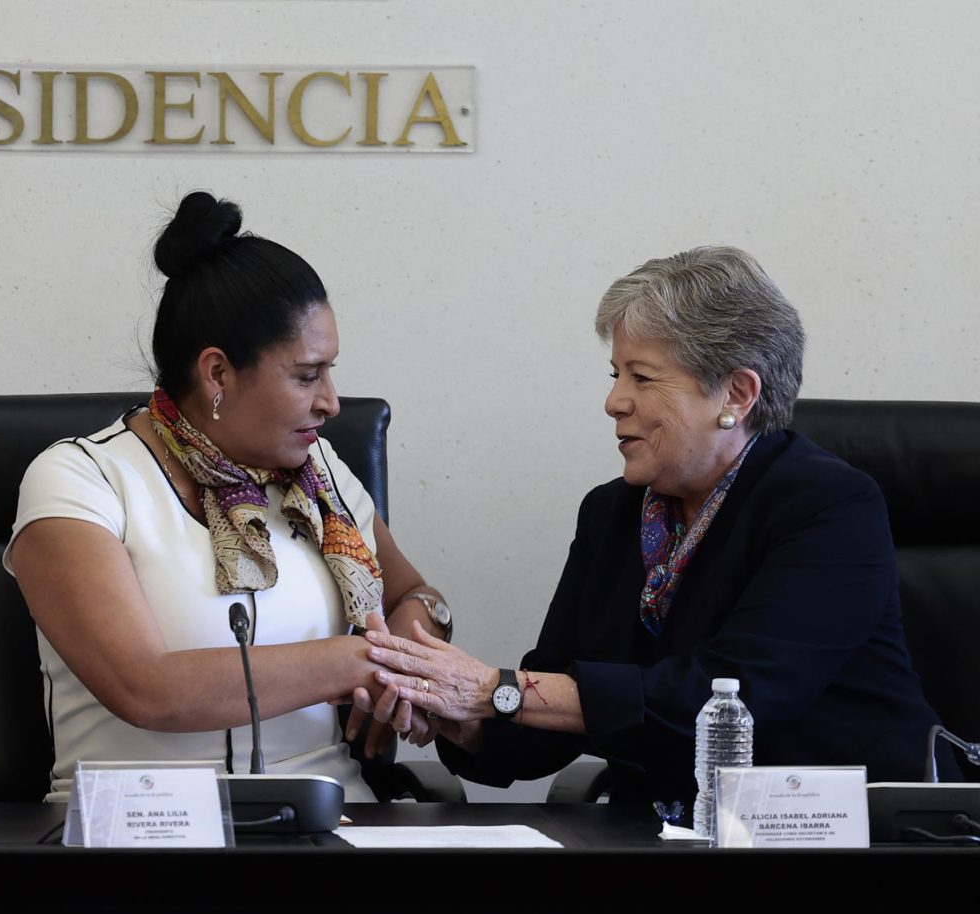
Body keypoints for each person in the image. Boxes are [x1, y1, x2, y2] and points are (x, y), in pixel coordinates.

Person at [357, 245, 955, 812]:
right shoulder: (612, 513)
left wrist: (495, 691)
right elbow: (552, 703)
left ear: (737, 393)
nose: (614, 402)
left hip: (848, 836)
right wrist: (461, 715)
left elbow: (733, 700)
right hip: (667, 836)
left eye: (642, 378)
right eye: (615, 374)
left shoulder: (829, 507)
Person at [5, 191, 452, 800]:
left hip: (330, 821)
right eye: (307, 374)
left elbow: (416, 595)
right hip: (138, 832)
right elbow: (147, 689)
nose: (331, 402)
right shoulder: (81, 480)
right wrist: (359, 663)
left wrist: (408, 656)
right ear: (217, 373)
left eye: (330, 370)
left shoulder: (319, 472)